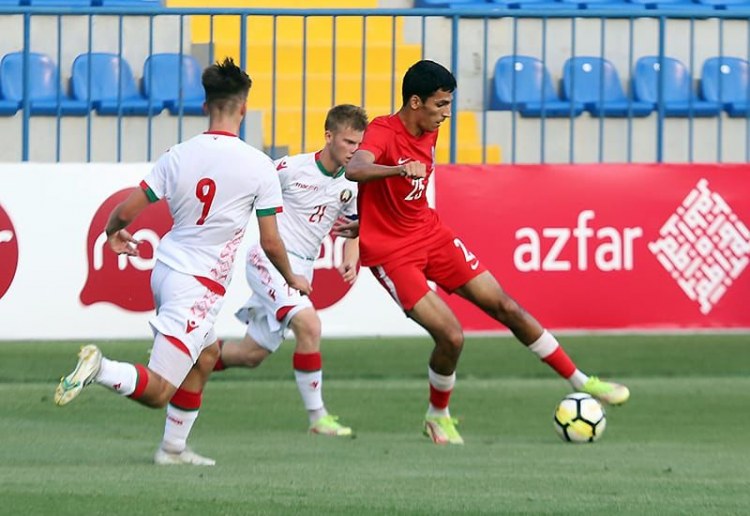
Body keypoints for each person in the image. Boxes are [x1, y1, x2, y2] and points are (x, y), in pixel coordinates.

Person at [344, 59, 630, 446]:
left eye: (449, 104)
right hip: (392, 254)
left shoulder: (428, 128)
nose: (447, 113)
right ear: (415, 102)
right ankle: (438, 417)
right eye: (440, 104)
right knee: (451, 336)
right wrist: (396, 171)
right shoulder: (383, 130)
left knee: (505, 306)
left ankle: (581, 380)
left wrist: (376, 210)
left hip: (430, 234)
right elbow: (356, 169)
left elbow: (396, 198)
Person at [54, 57, 311, 466]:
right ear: (244, 108)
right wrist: (292, 277)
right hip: (199, 286)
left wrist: (112, 232)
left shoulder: (177, 155)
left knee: (206, 356)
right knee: (159, 391)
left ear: (206, 106)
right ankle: (101, 368)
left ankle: (173, 449)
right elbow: (271, 241)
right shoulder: (259, 166)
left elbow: (127, 210)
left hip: (167, 270)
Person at [156, 105, 368, 462]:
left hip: (303, 270)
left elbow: (352, 227)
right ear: (329, 136)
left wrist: (351, 254)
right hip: (270, 261)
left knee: (251, 355)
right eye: (348, 141)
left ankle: (185, 360)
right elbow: (251, 182)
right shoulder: (291, 169)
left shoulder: (351, 184)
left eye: (359, 144)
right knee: (309, 325)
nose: (354, 150)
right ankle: (318, 418)